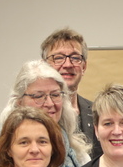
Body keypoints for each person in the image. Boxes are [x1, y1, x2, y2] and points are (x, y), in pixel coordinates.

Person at [0, 60, 90, 167]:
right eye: (39, 96)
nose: (50, 103)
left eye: (55, 95)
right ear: (19, 102)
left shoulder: (78, 155)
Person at [42, 26, 101, 158]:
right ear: (44, 66)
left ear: (84, 67)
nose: (68, 64)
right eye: (58, 58)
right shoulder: (32, 114)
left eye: (75, 58)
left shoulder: (98, 111)